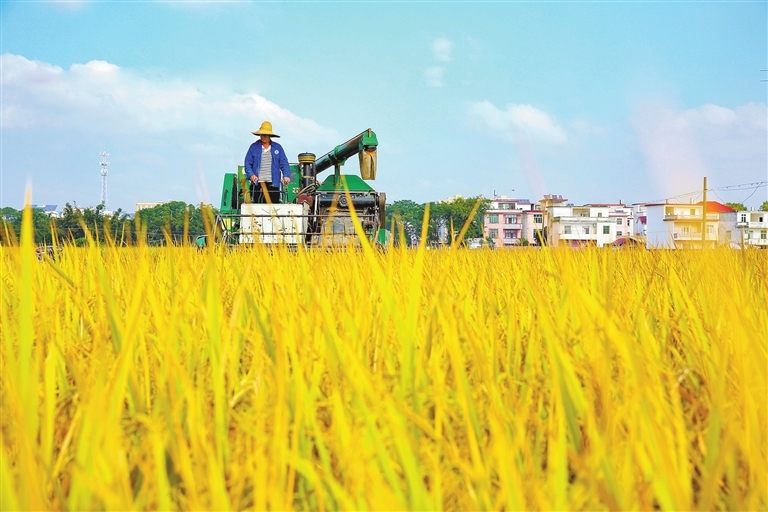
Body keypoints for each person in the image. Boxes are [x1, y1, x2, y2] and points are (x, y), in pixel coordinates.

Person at [244, 121, 292, 203]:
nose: (263, 137)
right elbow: (247, 163)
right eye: (261, 135)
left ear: (270, 136)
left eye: (265, 135)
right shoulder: (253, 147)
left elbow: (284, 163)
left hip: (273, 184)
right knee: (257, 207)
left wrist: (286, 175)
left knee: (274, 207)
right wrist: (251, 175)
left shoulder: (278, 148)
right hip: (257, 184)